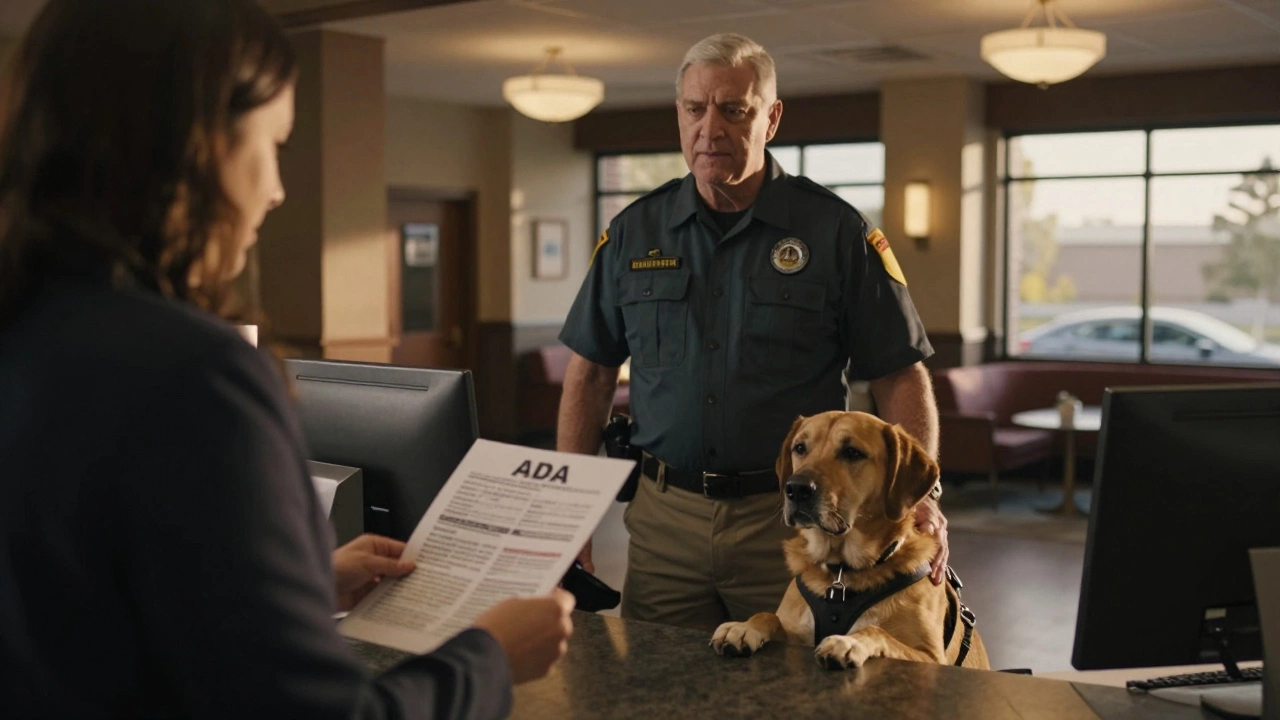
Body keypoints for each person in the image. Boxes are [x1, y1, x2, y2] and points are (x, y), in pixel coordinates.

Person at [0, 1, 571, 717]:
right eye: (273, 143)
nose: (275, 191)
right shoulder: (193, 375)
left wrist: (294, 587)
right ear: (195, 141)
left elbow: (79, 599)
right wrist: (487, 656)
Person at [557, 33, 947, 632]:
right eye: (695, 108)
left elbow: (900, 374)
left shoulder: (836, 233)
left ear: (771, 118)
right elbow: (589, 373)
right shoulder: (634, 232)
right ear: (680, 115)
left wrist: (918, 499)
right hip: (665, 520)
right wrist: (569, 509)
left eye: (734, 109)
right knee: (658, 693)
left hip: (795, 522)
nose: (710, 128)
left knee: (794, 695)